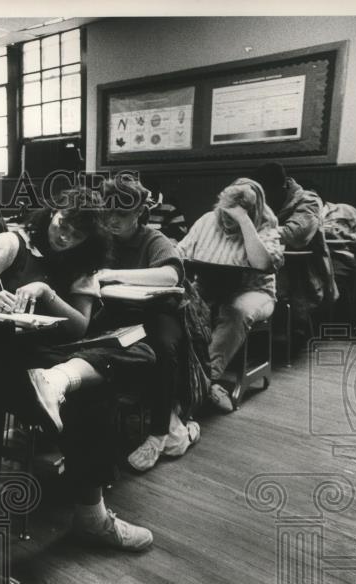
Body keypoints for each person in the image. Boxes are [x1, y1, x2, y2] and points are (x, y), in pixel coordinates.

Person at [0, 188, 156, 551]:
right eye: (63, 225)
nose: (65, 237)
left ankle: (57, 382)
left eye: (77, 235)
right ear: (53, 211)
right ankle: (93, 519)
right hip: (8, 359)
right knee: (96, 395)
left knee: (143, 350)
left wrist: (46, 291)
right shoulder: (12, 244)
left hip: (57, 355)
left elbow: (78, 327)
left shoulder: (84, 261)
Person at [96, 174, 199, 472]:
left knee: (162, 348)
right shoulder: (104, 239)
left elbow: (170, 275)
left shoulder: (154, 239)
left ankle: (157, 434)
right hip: (119, 311)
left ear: (140, 214)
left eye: (122, 214)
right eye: (107, 212)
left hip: (159, 312)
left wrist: (115, 274)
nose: (112, 220)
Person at [177, 178, 284, 413]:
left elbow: (262, 263)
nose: (226, 220)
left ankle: (207, 381)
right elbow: (180, 253)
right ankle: (186, 375)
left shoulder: (266, 225)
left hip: (254, 291)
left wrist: (244, 221)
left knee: (236, 310)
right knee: (178, 305)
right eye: (225, 213)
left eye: (232, 216)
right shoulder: (207, 220)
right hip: (208, 288)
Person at [251, 162, 337, 336]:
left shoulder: (309, 200)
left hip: (302, 274)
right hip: (269, 267)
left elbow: (297, 236)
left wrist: (250, 231)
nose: (264, 200)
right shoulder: (259, 196)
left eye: (267, 194)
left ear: (283, 187)